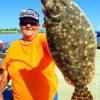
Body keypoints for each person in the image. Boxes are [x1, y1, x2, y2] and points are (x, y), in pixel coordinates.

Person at [0, 8, 59, 100]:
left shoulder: (45, 40)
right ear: (20, 25)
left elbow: (59, 42)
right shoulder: (14, 46)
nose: (28, 25)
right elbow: (6, 74)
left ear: (38, 25)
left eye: (32, 22)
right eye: (24, 22)